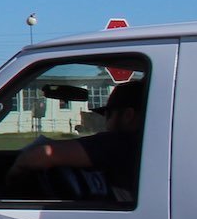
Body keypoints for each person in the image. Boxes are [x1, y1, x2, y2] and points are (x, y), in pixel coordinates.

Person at [10, 79, 146, 201]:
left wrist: (15, 171)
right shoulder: (148, 145)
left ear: (128, 115)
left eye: (108, 115)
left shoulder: (121, 143)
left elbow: (43, 154)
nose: (105, 122)